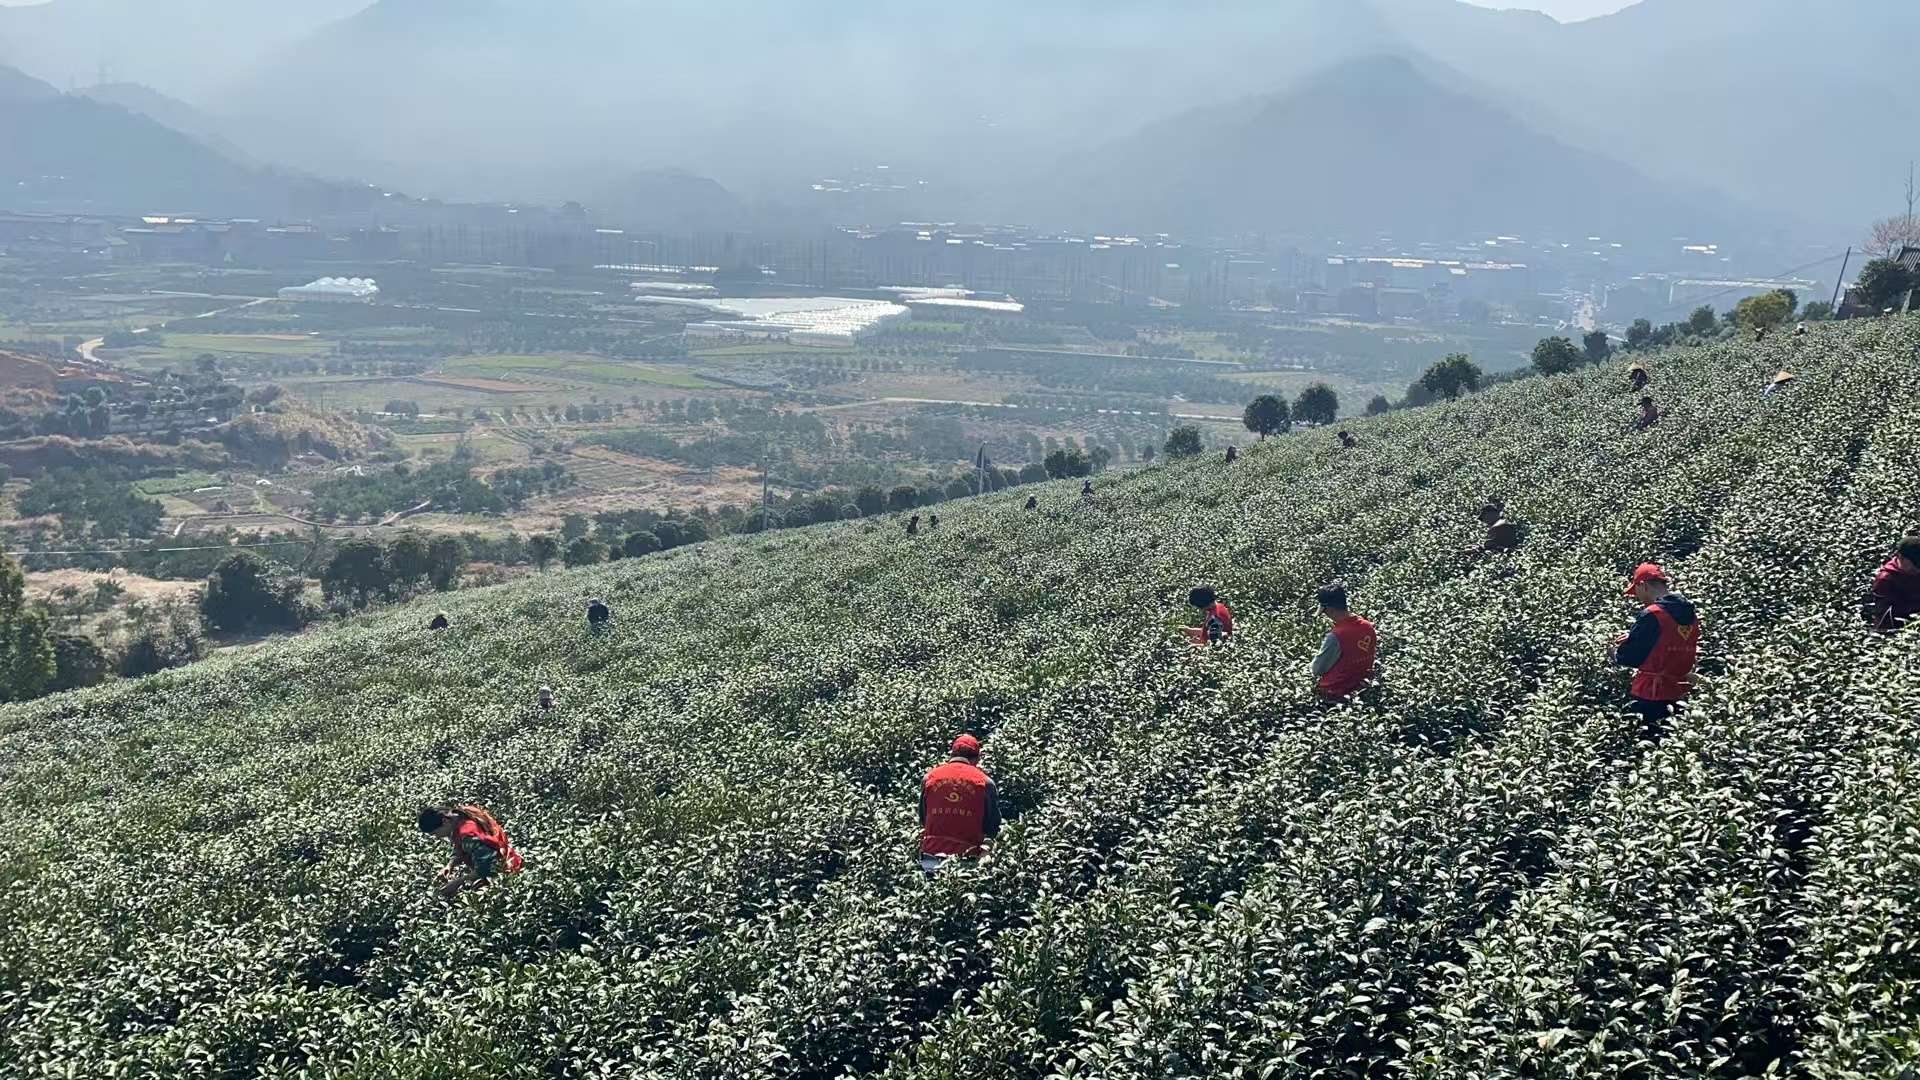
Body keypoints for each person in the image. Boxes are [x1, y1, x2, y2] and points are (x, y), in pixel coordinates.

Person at [1611, 563, 1701, 736]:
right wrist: (1637, 637)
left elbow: (1630, 658)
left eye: (1635, 591)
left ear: (1642, 585)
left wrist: (1614, 653)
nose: (1637, 597)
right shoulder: (1690, 613)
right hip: (1680, 690)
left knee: (1648, 743)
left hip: (1651, 694)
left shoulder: (1652, 614)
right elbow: (1671, 638)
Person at [919, 734, 1001, 874]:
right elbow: (992, 827)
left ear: (951, 754)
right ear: (977, 758)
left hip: (930, 858)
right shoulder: (985, 783)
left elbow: (923, 818)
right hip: (966, 862)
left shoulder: (929, 778)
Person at [418, 804, 524, 900]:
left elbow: (486, 868)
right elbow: (460, 846)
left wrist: (457, 882)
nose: (437, 837)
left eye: (435, 833)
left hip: (507, 875)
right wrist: (450, 865)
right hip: (510, 861)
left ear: (445, 821)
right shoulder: (461, 815)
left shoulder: (468, 834)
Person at [1312, 582, 1376, 699]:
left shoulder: (1336, 636)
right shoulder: (1368, 626)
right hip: (1361, 688)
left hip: (1334, 693)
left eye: (1325, 612)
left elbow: (1317, 669)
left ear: (1330, 610)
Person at [1865, 534, 1920, 632]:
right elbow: (1885, 616)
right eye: (1914, 564)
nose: (1917, 569)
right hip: (1897, 631)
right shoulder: (1886, 579)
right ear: (1901, 558)